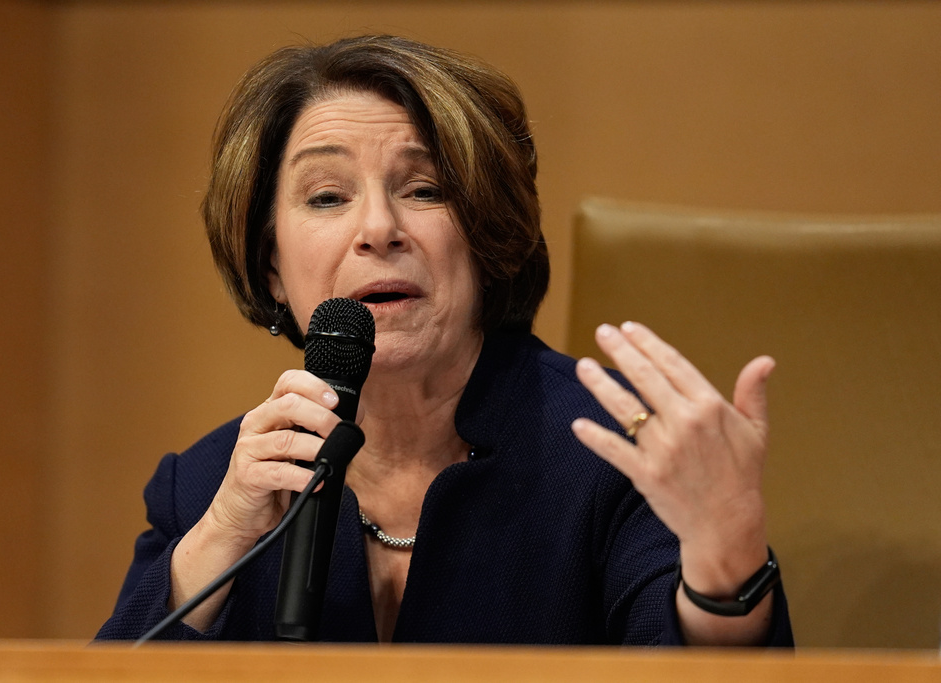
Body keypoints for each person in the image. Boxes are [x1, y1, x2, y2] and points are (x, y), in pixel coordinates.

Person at [96, 35, 792, 646]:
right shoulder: (210, 486)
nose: (378, 227)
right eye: (327, 196)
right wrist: (221, 536)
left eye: (424, 189)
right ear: (271, 265)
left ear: (487, 239)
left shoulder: (613, 457)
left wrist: (725, 567)